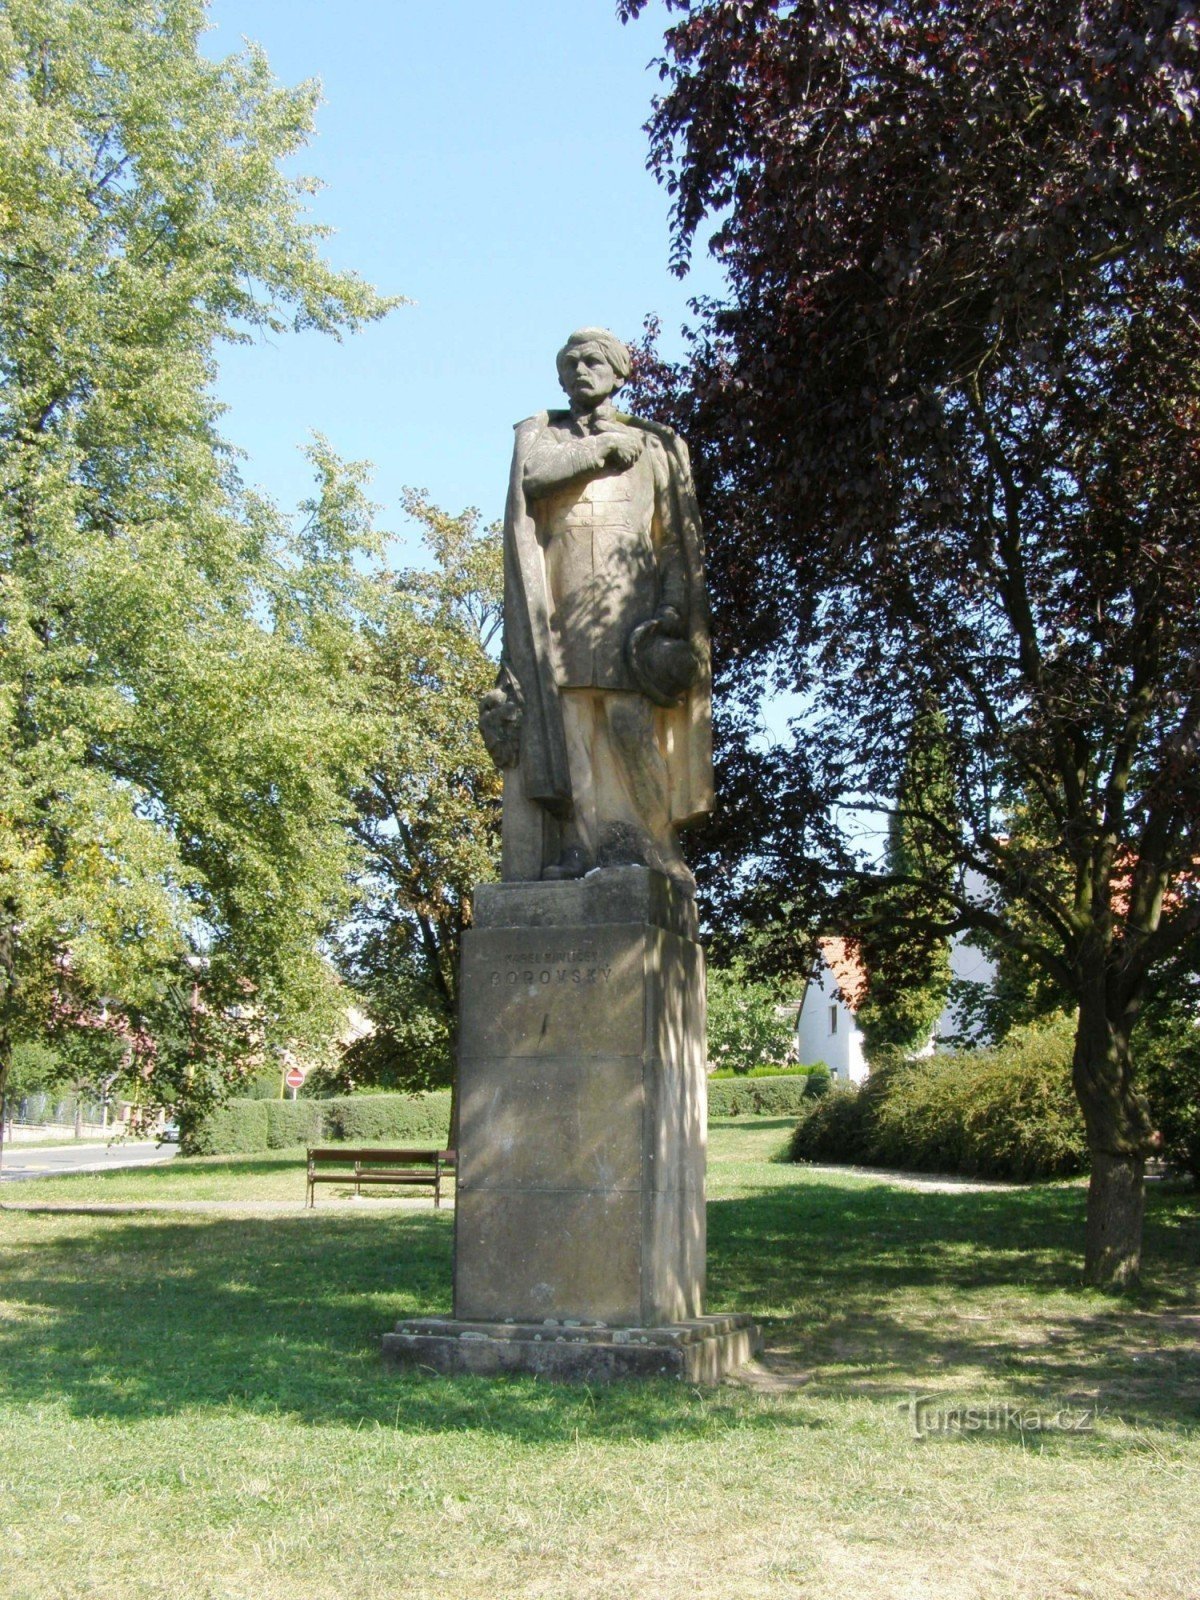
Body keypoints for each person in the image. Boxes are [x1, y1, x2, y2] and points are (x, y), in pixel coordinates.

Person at [480, 328, 713, 892]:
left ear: (617, 372)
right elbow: (531, 480)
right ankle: (582, 848)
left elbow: (672, 544)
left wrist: (675, 605)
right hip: (558, 609)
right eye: (572, 363)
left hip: (625, 611)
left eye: (594, 361)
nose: (583, 370)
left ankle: (655, 845)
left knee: (630, 727)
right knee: (572, 735)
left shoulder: (653, 449)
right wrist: (598, 450)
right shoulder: (545, 441)